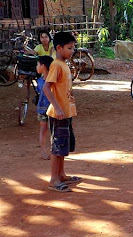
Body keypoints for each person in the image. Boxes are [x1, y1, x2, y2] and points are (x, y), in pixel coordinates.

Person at [43, 32, 82, 193]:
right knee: (57, 146)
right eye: (69, 48)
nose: (72, 51)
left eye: (73, 48)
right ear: (59, 48)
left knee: (63, 145)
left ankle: (61, 174)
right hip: (58, 113)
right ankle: (54, 179)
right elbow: (46, 87)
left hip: (66, 113)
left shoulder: (64, 64)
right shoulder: (56, 65)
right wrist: (57, 107)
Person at [36, 55, 54, 160]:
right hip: (43, 108)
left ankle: (53, 151)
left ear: (43, 66)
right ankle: (43, 151)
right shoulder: (40, 80)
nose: (36, 67)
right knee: (45, 129)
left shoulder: (48, 81)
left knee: (51, 130)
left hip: (50, 108)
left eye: (37, 64)